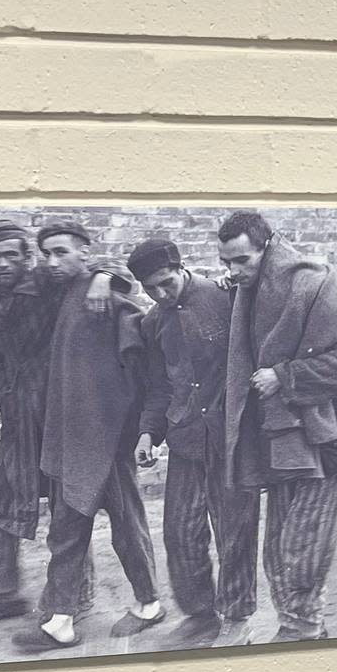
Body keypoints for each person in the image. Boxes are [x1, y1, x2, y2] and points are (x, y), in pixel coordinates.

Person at [220, 211, 337, 643]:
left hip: (325, 438)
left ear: (267, 248)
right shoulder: (247, 291)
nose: (233, 272)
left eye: (241, 261)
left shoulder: (311, 284)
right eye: (226, 263)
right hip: (279, 437)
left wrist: (284, 377)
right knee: (277, 548)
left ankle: (302, 629)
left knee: (303, 543)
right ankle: (304, 625)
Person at [13, 220, 163, 651]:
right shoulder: (59, 293)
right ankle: (61, 618)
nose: (53, 261)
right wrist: (101, 274)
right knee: (67, 529)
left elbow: (141, 365)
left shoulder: (109, 300)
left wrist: (132, 431)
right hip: (70, 438)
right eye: (47, 254)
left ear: (84, 251)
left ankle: (149, 604)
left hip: (107, 440)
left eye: (62, 252)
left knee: (126, 528)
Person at [131, 238, 262, 646]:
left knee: (234, 532)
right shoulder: (154, 323)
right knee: (180, 533)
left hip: (231, 439)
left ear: (181, 267)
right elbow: (158, 388)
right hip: (187, 440)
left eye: (165, 283)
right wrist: (148, 433)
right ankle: (199, 614)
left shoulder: (228, 297)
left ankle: (238, 618)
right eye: (150, 288)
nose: (160, 294)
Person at [0, 220, 59, 624]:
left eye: (11, 255)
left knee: (68, 506)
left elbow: (103, 274)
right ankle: (2, 592)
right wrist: (2, 390)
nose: (3, 263)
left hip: (58, 412)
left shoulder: (48, 284)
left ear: (26, 257)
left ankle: (70, 597)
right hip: (18, 416)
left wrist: (106, 276)